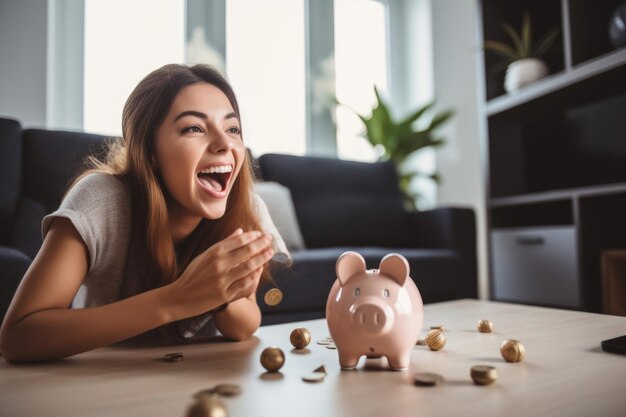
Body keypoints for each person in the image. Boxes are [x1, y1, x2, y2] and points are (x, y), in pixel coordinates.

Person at [0, 64, 288, 363]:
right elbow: (18, 337)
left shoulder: (245, 206)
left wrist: (223, 295)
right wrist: (176, 300)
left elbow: (243, 326)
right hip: (102, 381)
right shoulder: (101, 200)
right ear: (149, 150)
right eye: (194, 128)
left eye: (232, 129)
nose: (224, 144)